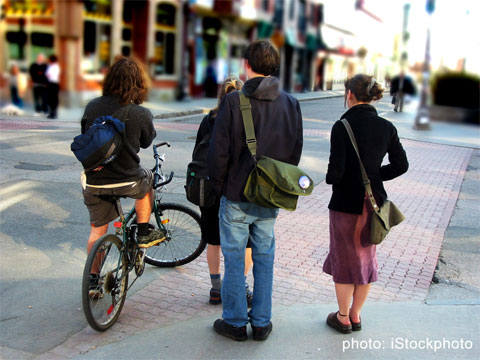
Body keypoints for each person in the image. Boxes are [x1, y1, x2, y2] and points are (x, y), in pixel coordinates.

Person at [208, 40, 303, 341]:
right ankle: (261, 322)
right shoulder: (291, 103)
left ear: (248, 65)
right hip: (270, 195)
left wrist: (219, 188)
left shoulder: (234, 102)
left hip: (236, 194)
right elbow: (295, 151)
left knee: (235, 260)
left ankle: (235, 323)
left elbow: (218, 153)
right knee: (264, 257)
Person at [323, 74, 408, 334]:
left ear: (349, 94)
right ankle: (357, 315)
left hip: (346, 204)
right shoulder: (386, 127)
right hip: (374, 204)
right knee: (365, 259)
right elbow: (401, 165)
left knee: (344, 260)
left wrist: (333, 177)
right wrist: (374, 176)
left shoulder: (342, 126)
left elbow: (334, 174)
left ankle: (343, 316)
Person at [80, 57, 166, 295]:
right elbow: (147, 142)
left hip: (95, 180)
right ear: (138, 84)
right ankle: (143, 230)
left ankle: (93, 281)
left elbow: (86, 135)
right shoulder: (140, 113)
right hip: (129, 180)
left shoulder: (92, 107)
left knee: (97, 232)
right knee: (147, 180)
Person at [193, 76, 254, 306]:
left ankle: (216, 288)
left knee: (214, 240)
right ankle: (240, 285)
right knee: (245, 241)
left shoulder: (208, 119)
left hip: (209, 188)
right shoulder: (245, 120)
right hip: (236, 189)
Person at [45, 54, 60, 119]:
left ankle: (53, 113)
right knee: (50, 99)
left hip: (53, 83)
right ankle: (52, 112)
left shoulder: (54, 66)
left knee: (53, 99)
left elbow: (48, 74)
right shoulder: (52, 66)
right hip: (51, 83)